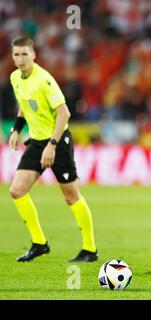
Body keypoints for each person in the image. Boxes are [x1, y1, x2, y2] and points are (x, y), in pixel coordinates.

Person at [8, 36, 98, 262]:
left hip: (58, 142)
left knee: (71, 197)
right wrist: (17, 130)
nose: (20, 59)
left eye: (24, 54)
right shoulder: (15, 78)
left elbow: (64, 114)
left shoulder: (44, 80)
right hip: (38, 143)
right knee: (17, 191)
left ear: (34, 55)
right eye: (16, 55)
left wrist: (52, 145)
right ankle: (39, 243)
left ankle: (90, 249)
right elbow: (24, 105)